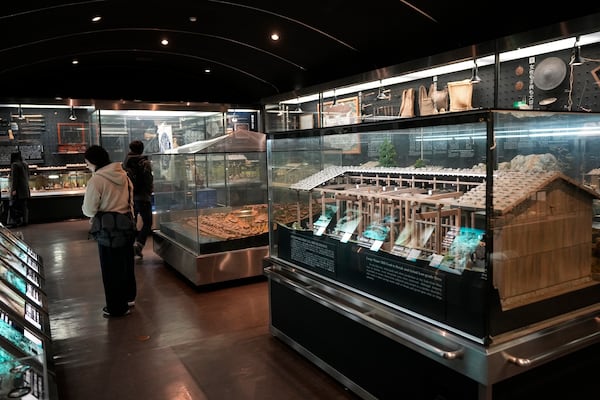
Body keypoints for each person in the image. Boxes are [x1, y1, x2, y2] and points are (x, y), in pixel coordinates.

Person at [82, 145, 136, 317]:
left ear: (93, 161)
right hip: (126, 227)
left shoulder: (97, 180)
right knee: (126, 264)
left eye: (87, 162)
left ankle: (116, 307)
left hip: (108, 230)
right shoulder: (125, 176)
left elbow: (89, 210)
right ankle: (129, 298)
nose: (87, 166)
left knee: (110, 269)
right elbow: (131, 203)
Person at [123, 140, 154, 259]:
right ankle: (139, 245)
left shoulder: (125, 163)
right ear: (142, 149)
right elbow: (148, 180)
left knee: (132, 223)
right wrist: (149, 191)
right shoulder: (145, 163)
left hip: (129, 198)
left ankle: (129, 247)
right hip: (143, 197)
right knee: (147, 222)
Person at [8, 151, 30, 227]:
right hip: (25, 189)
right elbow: (28, 176)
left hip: (18, 190)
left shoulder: (15, 165)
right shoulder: (25, 164)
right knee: (24, 206)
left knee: (14, 206)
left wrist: (13, 189)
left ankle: (15, 222)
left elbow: (14, 179)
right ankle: (25, 221)